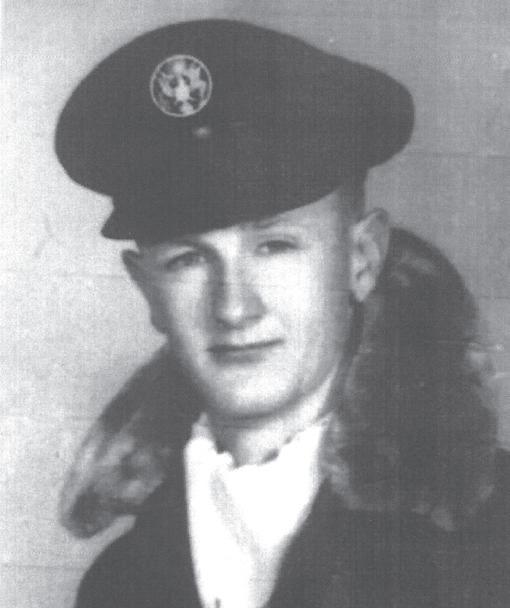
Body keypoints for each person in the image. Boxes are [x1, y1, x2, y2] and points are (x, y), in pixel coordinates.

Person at [54, 19, 510, 608]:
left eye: (274, 246)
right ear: (148, 292)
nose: (234, 307)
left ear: (362, 259)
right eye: (188, 259)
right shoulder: (117, 586)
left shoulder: (493, 539)